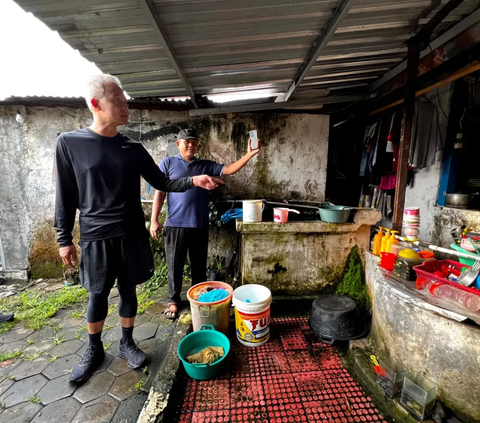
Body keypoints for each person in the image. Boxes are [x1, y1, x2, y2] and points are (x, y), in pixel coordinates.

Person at [55, 74, 224, 383]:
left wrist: (194, 180)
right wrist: (64, 238)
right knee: (97, 294)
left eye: (125, 100)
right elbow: (64, 195)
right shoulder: (70, 144)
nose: (125, 105)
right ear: (96, 104)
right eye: (117, 100)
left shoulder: (132, 147)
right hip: (95, 235)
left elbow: (163, 182)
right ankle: (94, 349)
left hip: (131, 232)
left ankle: (127, 341)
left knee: (129, 290)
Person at [150, 129, 260, 319]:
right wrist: (154, 220)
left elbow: (230, 169)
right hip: (175, 224)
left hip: (199, 224)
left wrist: (249, 154)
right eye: (187, 142)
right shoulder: (168, 163)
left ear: (198, 145)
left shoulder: (205, 165)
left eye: (194, 142)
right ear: (178, 144)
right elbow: (159, 192)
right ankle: (173, 300)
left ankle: (198, 297)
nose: (191, 145)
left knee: (199, 266)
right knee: (174, 265)